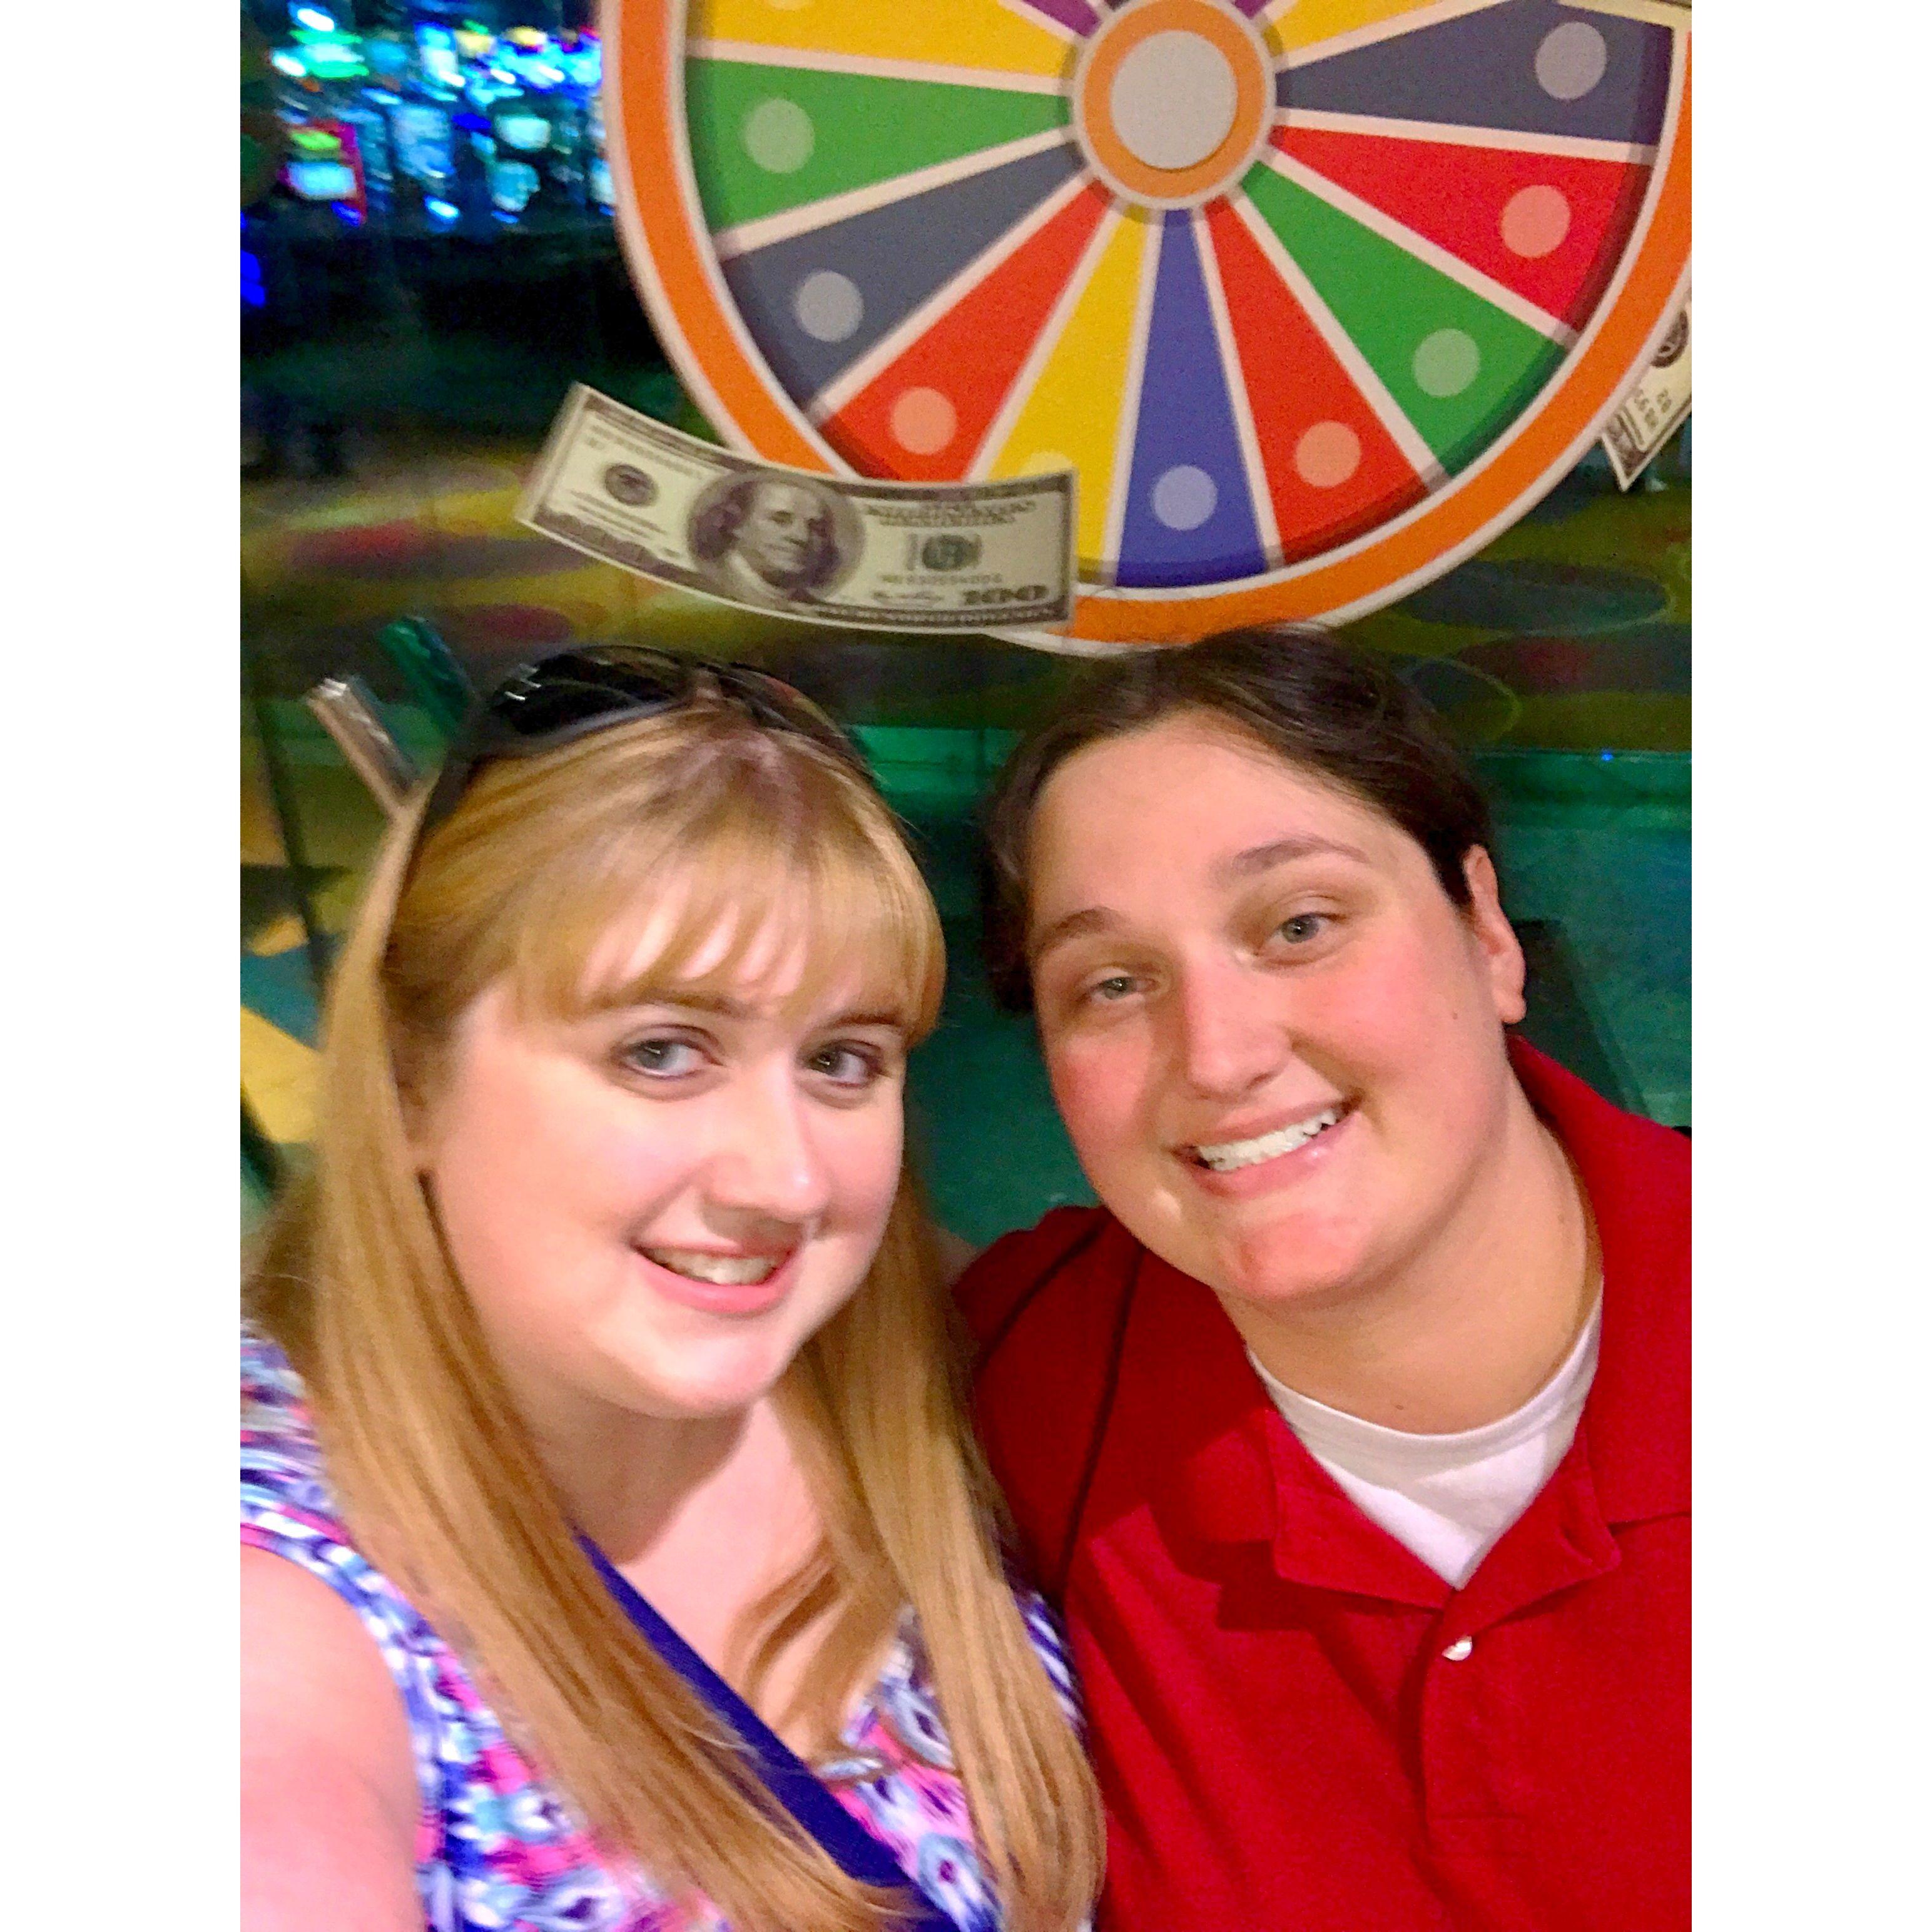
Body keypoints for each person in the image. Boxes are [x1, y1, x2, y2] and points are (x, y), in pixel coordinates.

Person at [242, 647, 1102, 1932]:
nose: (784, 1179)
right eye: (659, 1050)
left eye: (840, 1059)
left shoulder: (903, 1369)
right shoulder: (270, 1591)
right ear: (412, 1080)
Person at [958, 627, 1689, 1931]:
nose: (1218, 1053)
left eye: (1298, 923)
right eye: (1112, 982)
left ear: (1486, 931)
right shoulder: (1017, 1381)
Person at [689, 479, 847, 608]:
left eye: (815, 527)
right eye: (780, 520)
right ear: (736, 523)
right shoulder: (709, 585)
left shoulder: (808, 605)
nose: (802, 537)